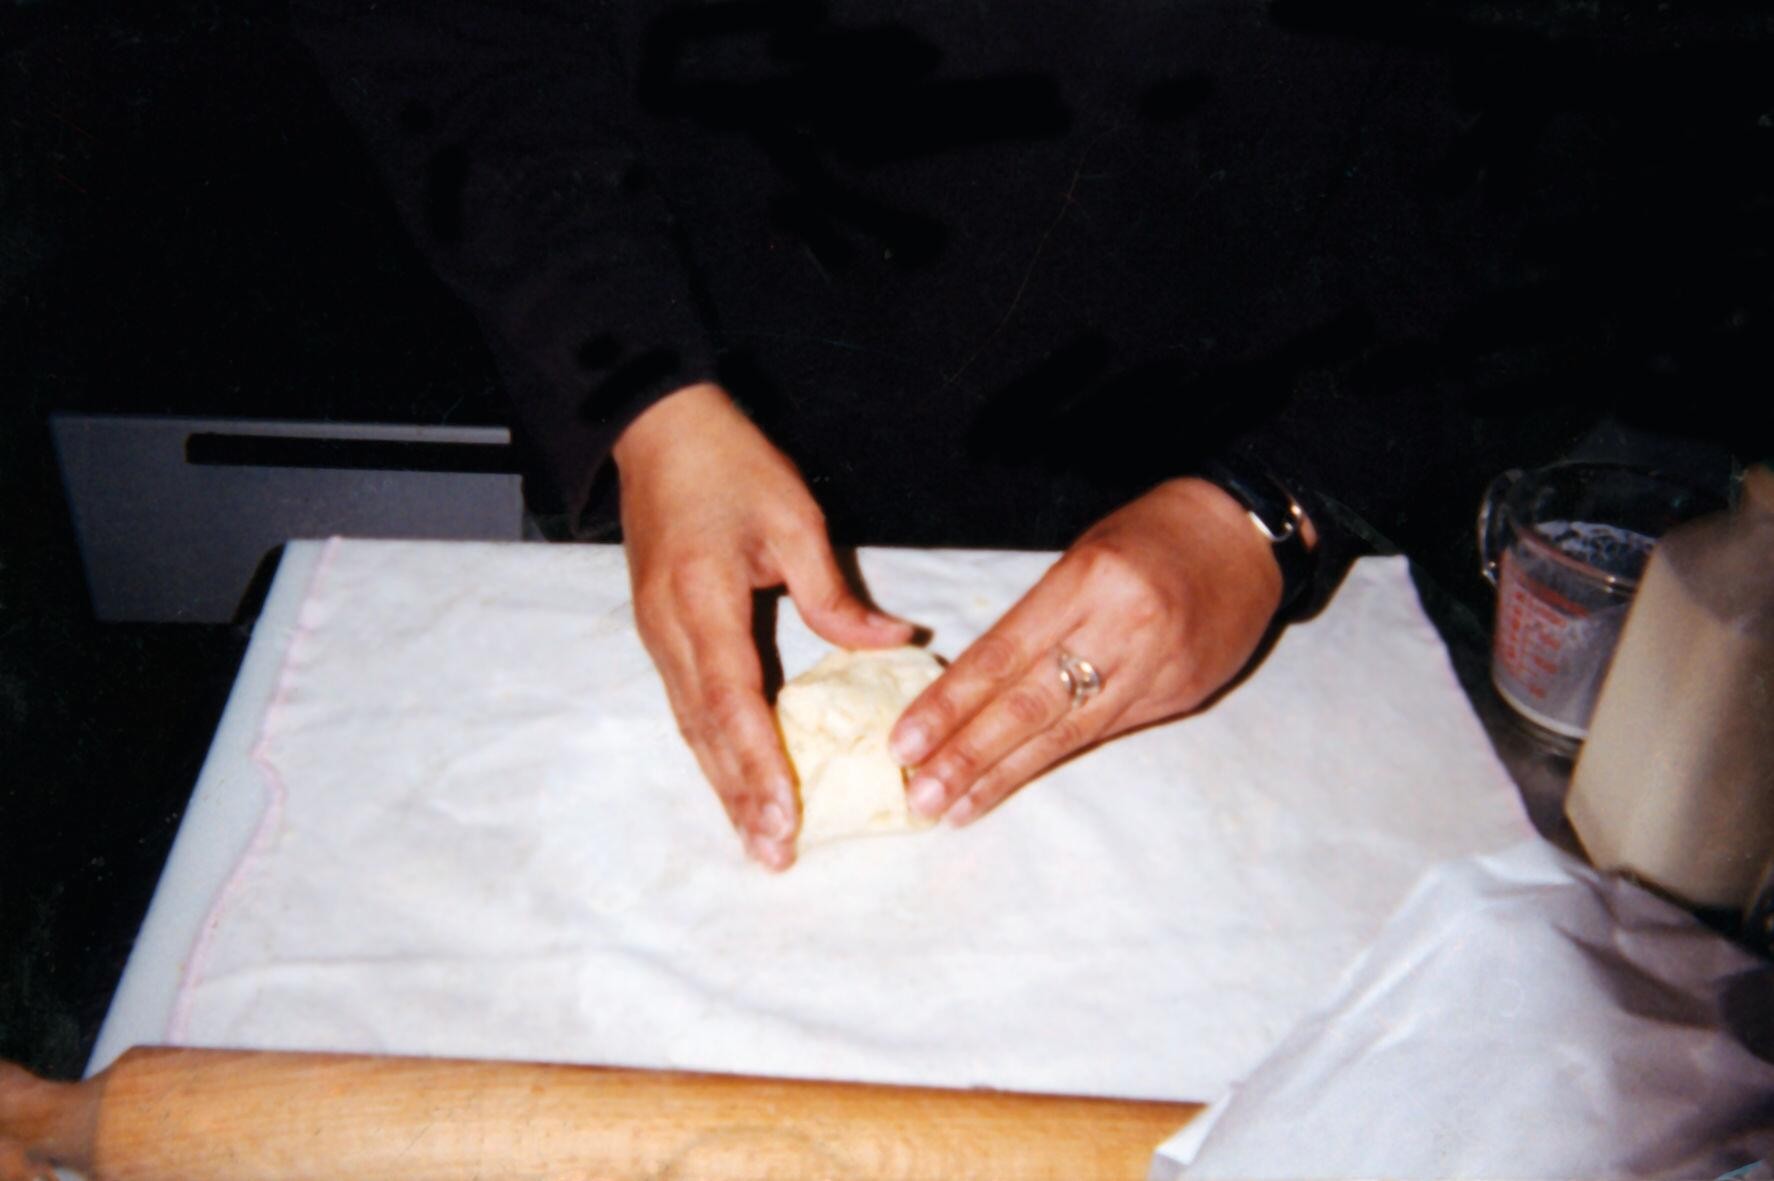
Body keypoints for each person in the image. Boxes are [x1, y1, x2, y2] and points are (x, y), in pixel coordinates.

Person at [289, 0, 1756, 869]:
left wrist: (1291, 495)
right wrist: (634, 388)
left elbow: (1589, 132)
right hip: (698, 410)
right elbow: (457, 39)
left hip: (1261, 449)